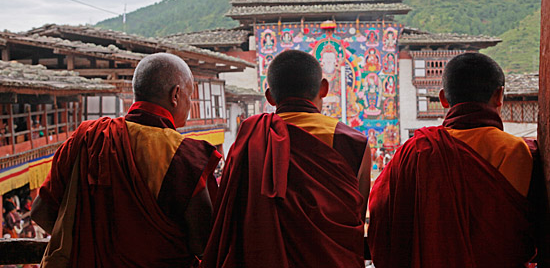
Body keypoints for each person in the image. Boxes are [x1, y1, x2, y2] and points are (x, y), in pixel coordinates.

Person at [31, 53, 221, 268]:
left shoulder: (89, 137)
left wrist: (85, 244)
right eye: (190, 95)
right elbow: (203, 243)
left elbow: (41, 211)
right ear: (175, 95)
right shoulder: (183, 155)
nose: (190, 103)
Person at [368, 52, 542, 267]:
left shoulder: (415, 151)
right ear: (499, 96)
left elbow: (381, 216)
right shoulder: (518, 152)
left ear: (442, 98)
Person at [202, 50, 371, 268]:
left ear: (270, 96)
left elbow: (231, 221)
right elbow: (355, 218)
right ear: (324, 89)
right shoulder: (354, 143)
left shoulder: (248, 142)